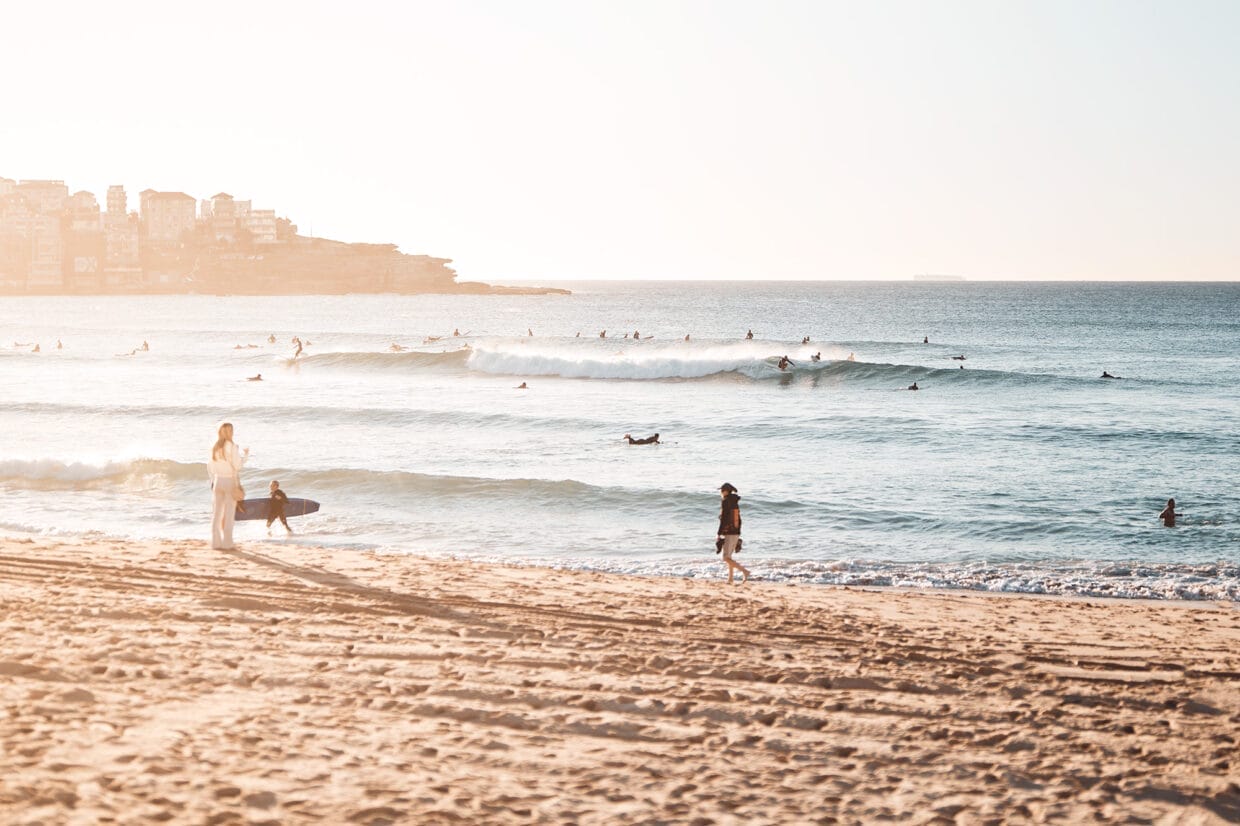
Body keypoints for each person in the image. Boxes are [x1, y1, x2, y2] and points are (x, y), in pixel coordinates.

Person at [208, 422, 249, 550]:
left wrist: (213, 481)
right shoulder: (232, 446)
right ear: (230, 432)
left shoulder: (214, 446)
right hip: (229, 481)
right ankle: (228, 543)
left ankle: (215, 543)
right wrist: (245, 455)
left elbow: (210, 467)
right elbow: (237, 466)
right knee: (229, 513)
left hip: (217, 481)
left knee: (217, 513)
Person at [716, 483, 749, 584]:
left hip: (729, 532)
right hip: (736, 531)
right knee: (729, 557)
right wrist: (738, 531)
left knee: (725, 557)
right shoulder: (734, 501)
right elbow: (739, 519)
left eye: (722, 490)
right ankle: (730, 579)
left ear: (725, 491)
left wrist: (719, 533)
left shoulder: (726, 501)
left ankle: (745, 571)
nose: (721, 492)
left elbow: (724, 519)